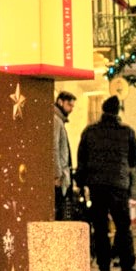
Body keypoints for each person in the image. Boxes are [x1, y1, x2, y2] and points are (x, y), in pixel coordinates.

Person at [77, 93, 136, 271]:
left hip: (96, 184)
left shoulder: (90, 131)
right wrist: (129, 182)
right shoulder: (127, 132)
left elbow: (82, 159)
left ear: (103, 110)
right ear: (117, 111)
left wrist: (82, 182)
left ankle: (104, 263)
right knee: (122, 225)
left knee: (100, 225)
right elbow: (134, 159)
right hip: (118, 184)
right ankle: (127, 262)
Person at [53, 90, 81, 220]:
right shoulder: (56, 121)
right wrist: (57, 174)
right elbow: (55, 147)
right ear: (60, 102)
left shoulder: (59, 121)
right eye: (69, 105)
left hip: (61, 175)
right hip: (59, 177)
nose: (71, 109)